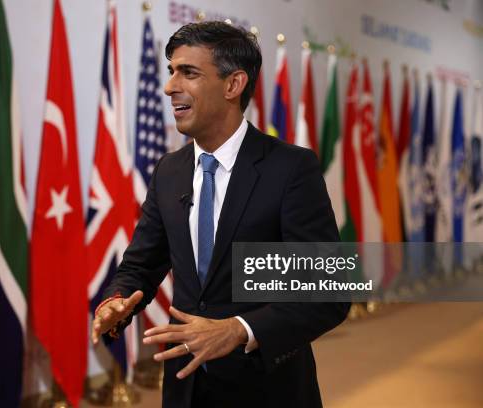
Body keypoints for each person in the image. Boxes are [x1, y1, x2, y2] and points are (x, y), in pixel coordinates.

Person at [91, 21, 349, 408]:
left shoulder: (290, 169)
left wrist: (239, 329)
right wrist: (117, 298)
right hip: (186, 389)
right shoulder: (169, 171)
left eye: (188, 73)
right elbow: (141, 263)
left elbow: (326, 293)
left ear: (233, 85)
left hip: (267, 390)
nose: (169, 87)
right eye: (171, 71)